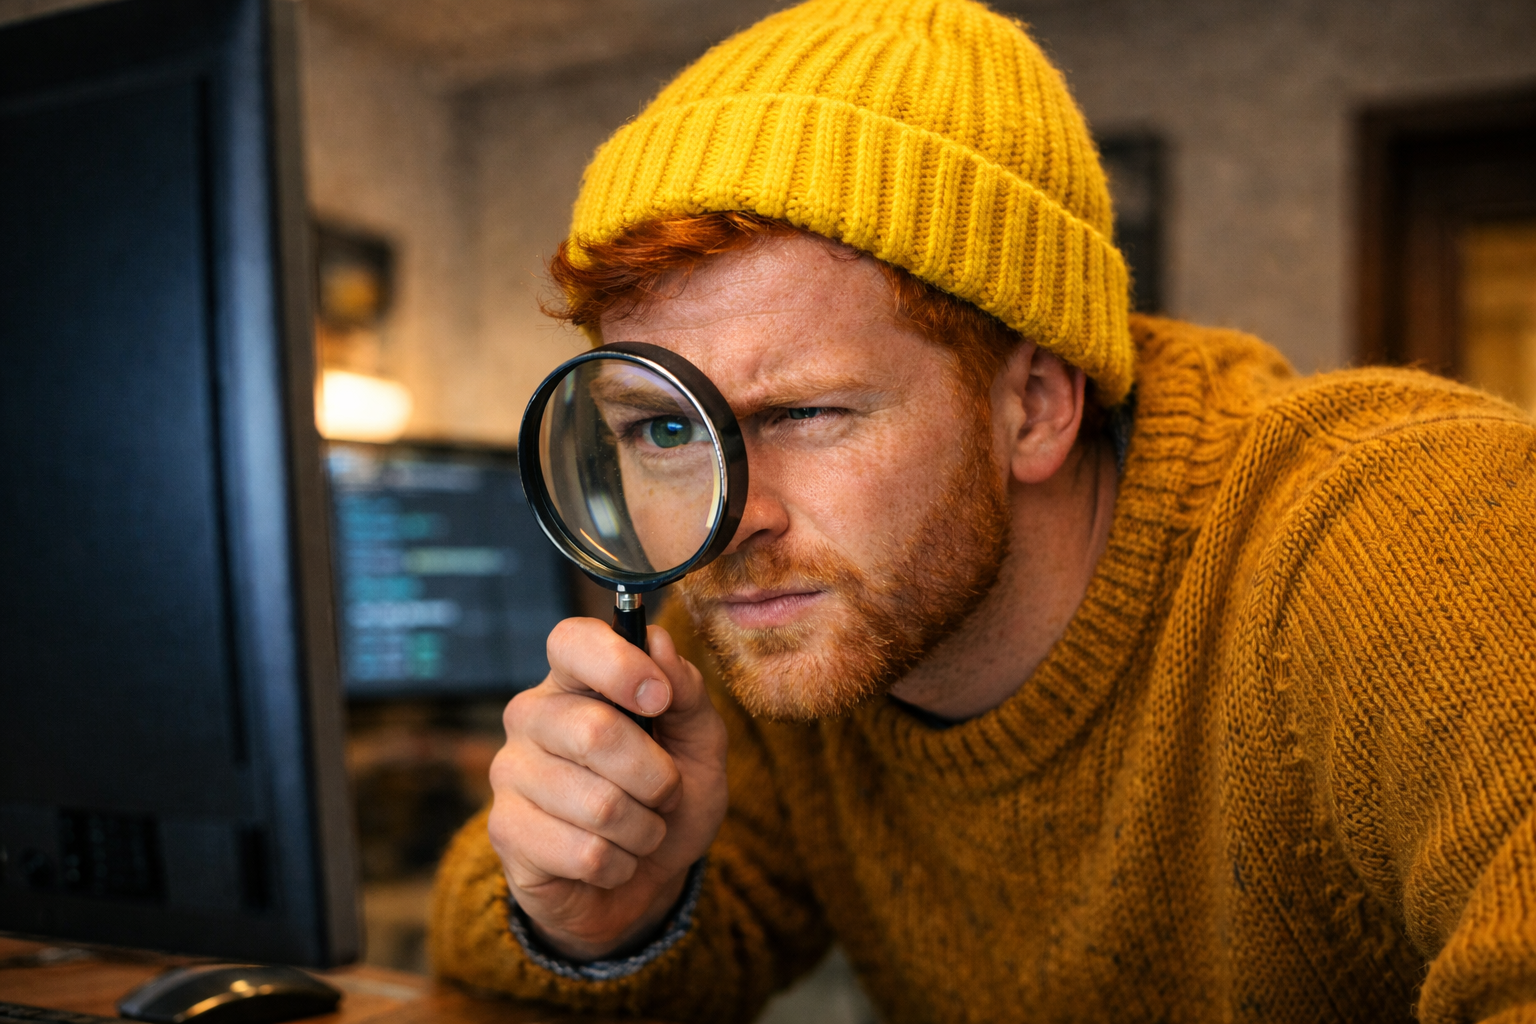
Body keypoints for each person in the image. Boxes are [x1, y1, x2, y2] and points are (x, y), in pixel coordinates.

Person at [429, 0, 1536, 1020]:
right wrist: (592, 912)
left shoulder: (1409, 533)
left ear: (1035, 405)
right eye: (664, 428)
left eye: (807, 411)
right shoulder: (768, 613)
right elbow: (506, 944)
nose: (729, 520)